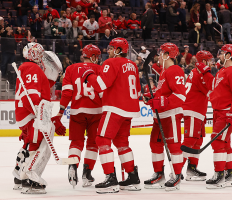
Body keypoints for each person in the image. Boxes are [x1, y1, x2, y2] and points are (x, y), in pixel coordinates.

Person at [78, 38, 141, 194]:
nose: (109, 50)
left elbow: (100, 85)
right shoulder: (132, 65)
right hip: (129, 109)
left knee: (102, 139)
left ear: (119, 50)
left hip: (115, 107)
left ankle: (110, 178)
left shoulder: (111, 63)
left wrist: (89, 76)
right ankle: (132, 177)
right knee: (122, 142)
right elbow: (138, 91)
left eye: (112, 48)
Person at [12, 43, 65, 194]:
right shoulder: (32, 68)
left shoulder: (29, 68)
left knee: (30, 142)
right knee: (38, 142)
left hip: (27, 113)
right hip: (31, 113)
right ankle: (31, 179)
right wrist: (39, 114)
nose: (43, 59)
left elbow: (39, 87)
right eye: (41, 55)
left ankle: (19, 175)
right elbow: (31, 93)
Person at [195, 44, 232, 189]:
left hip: (226, 112)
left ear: (229, 56)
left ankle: (220, 175)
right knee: (225, 143)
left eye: (222, 53)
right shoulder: (222, 71)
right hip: (219, 112)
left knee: (217, 142)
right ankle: (229, 174)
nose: (219, 56)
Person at [56, 45, 102, 188]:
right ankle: (87, 173)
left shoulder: (70, 69)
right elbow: (103, 92)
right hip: (96, 112)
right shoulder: (99, 69)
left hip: (77, 112)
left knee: (76, 142)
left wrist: (60, 112)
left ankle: (73, 166)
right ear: (94, 57)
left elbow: (67, 93)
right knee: (93, 143)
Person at [142, 43, 185, 191]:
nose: (158, 56)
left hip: (171, 114)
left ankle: (177, 175)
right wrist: (151, 97)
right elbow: (163, 94)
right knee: (155, 144)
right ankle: (159, 174)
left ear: (167, 55)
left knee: (173, 145)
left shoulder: (175, 70)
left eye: (161, 53)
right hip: (160, 115)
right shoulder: (165, 73)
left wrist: (160, 101)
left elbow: (180, 95)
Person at [182, 51, 214, 181]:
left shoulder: (198, 72)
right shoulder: (200, 73)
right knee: (190, 140)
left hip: (198, 111)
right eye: (209, 60)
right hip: (193, 110)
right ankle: (176, 171)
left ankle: (192, 169)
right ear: (204, 62)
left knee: (197, 140)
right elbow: (212, 88)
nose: (212, 63)